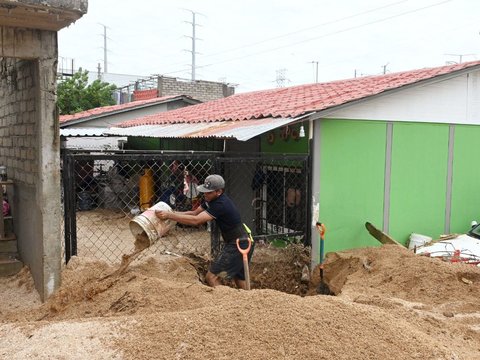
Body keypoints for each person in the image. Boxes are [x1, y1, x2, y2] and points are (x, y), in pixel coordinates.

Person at [155, 174, 254, 289]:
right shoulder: (211, 199)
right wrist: (170, 213)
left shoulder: (220, 204)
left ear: (219, 192)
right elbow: (194, 213)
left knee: (211, 277)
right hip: (240, 241)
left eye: (208, 192)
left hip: (239, 243)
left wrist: (169, 215)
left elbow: (196, 221)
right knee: (239, 277)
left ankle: (225, 302)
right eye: (205, 191)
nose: (205, 194)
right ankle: (247, 301)